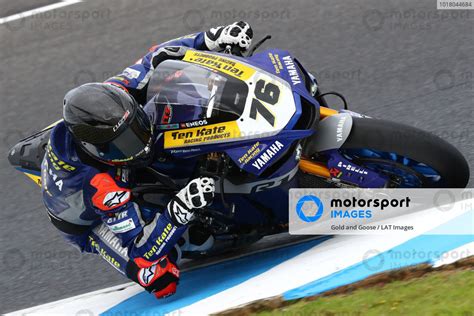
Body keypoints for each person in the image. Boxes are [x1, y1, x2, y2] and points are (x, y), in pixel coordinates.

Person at [41, 21, 253, 299]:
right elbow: (140, 249)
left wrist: (211, 38)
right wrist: (180, 208)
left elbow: (159, 55)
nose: (139, 144)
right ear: (97, 150)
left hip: (108, 166)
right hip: (87, 220)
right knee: (156, 276)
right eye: (124, 144)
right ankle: (204, 238)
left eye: (136, 129)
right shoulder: (103, 188)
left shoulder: (114, 94)